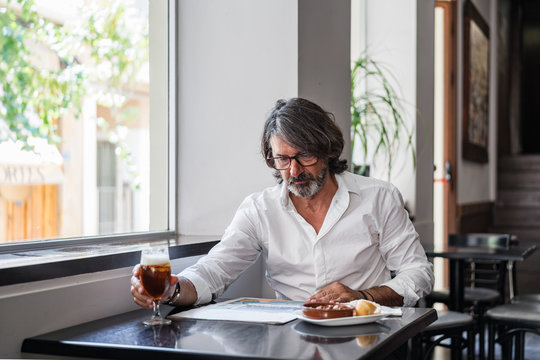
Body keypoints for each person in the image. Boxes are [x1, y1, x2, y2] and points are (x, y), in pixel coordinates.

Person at [131, 97, 434, 309]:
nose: (294, 171)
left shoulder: (378, 197)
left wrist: (363, 296)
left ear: (327, 149)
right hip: (292, 340)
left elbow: (417, 273)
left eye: (305, 156)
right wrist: (173, 289)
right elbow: (214, 271)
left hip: (369, 336)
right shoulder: (259, 210)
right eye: (282, 159)